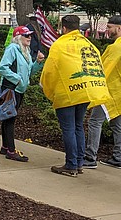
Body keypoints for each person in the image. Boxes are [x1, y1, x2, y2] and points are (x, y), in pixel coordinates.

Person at [41, 14, 110, 177]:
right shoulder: (89, 44)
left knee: (69, 128)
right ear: (78, 27)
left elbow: (50, 71)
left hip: (67, 93)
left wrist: (49, 90)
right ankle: (79, 163)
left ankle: (71, 165)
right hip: (86, 91)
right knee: (78, 126)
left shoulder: (59, 44)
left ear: (63, 28)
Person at [85, 15, 121, 169]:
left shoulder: (116, 48)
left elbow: (103, 69)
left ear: (118, 28)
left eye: (109, 27)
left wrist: (92, 86)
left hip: (111, 92)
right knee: (117, 124)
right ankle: (118, 157)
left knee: (94, 122)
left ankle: (90, 157)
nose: (107, 30)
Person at [0, 26, 45, 162]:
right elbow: (2, 67)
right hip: (10, 88)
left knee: (8, 118)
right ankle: (11, 151)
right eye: (26, 35)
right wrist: (17, 79)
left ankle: (5, 147)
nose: (29, 38)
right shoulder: (12, 49)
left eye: (30, 35)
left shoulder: (26, 51)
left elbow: (29, 72)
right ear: (18, 37)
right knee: (10, 119)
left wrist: (38, 63)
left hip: (19, 89)